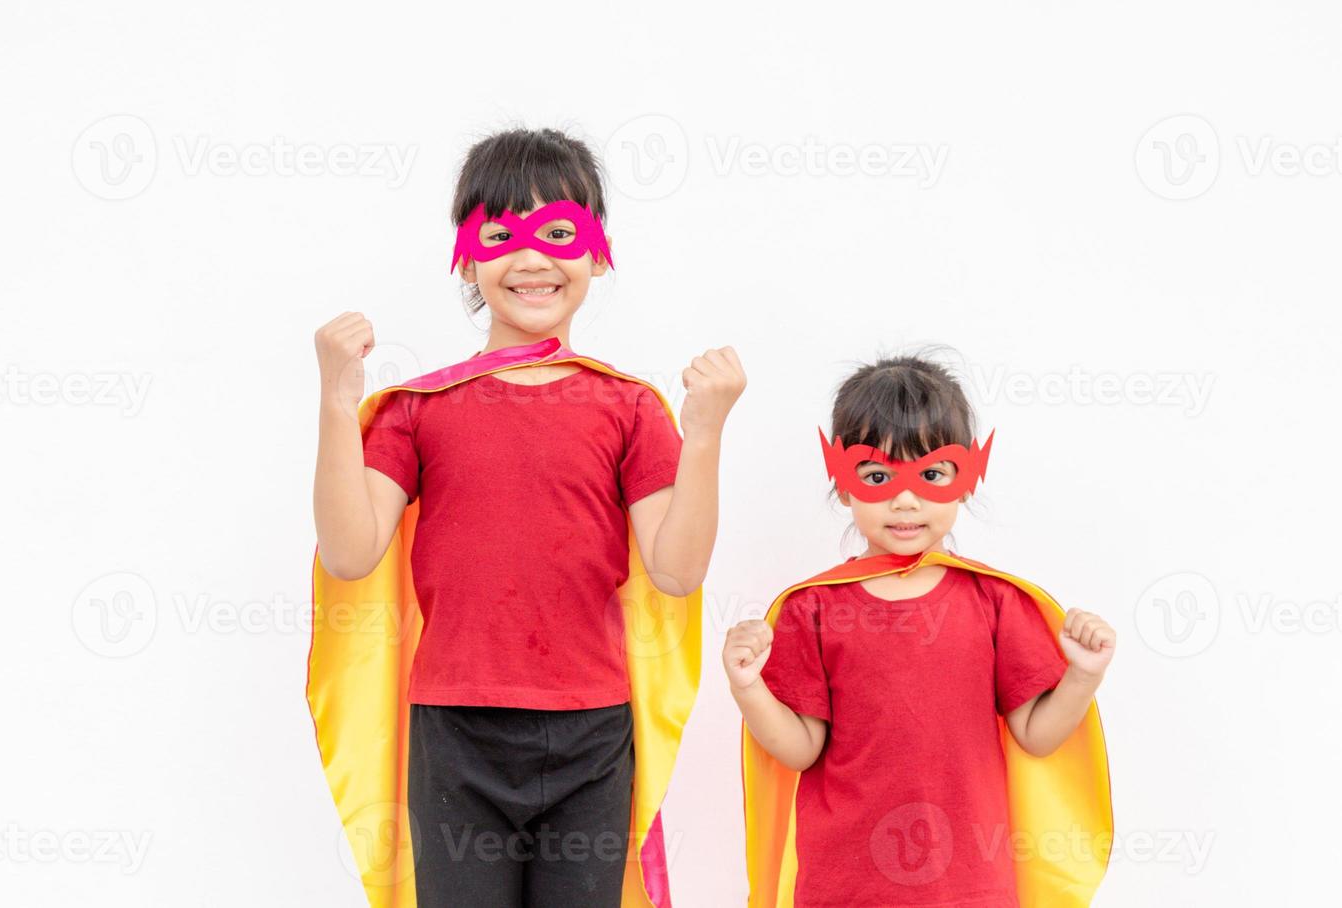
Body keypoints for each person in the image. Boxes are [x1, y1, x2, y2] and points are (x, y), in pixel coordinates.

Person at [309, 127, 744, 908]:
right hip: (455, 732)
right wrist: (338, 405)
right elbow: (349, 553)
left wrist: (704, 430)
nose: (533, 258)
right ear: (467, 258)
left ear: (597, 253)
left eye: (559, 232)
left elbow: (676, 569)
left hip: (592, 735)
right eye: (501, 234)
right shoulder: (419, 409)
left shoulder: (629, 407)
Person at [726, 350, 1114, 908]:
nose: (905, 499)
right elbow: (800, 749)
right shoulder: (810, 608)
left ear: (967, 480)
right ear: (842, 484)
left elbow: (1037, 734)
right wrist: (748, 687)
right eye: (878, 476)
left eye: (930, 475)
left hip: (970, 887)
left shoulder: (996, 601)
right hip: (846, 887)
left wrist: (1082, 675)